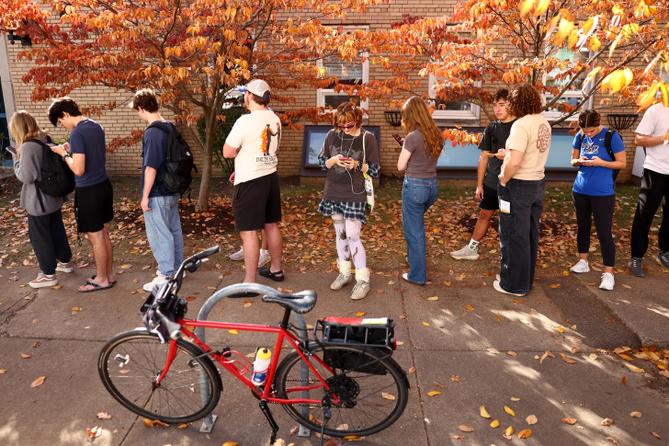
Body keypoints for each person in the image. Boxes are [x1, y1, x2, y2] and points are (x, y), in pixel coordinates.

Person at [48, 97, 115, 292]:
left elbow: (78, 169)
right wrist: (72, 149)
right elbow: (91, 153)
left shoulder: (77, 133)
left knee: (95, 238)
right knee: (103, 233)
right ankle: (109, 274)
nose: (63, 125)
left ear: (66, 114)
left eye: (61, 121)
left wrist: (64, 154)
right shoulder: (96, 126)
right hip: (103, 186)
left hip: (89, 190)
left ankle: (102, 278)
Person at [223, 79, 284, 284]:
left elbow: (228, 151)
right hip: (270, 178)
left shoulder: (245, 121)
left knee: (249, 233)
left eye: (246, 94)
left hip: (250, 182)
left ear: (249, 96)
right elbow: (266, 149)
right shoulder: (275, 118)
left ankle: (249, 283)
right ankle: (276, 269)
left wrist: (240, 158)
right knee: (271, 226)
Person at [318, 102, 380, 300]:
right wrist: (333, 160)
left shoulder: (367, 138)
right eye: (341, 125)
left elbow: (376, 170)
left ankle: (362, 279)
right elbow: (321, 163)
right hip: (333, 191)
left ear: (358, 120)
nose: (344, 129)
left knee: (353, 235)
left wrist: (357, 165)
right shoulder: (331, 135)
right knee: (340, 234)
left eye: (349, 125)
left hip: (355, 194)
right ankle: (344, 272)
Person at [494, 83, 551, 297]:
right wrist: (507, 155)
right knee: (529, 235)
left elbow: (516, 162)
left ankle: (513, 285)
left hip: (517, 185)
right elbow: (527, 153)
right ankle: (524, 280)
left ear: (516, 102)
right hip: (537, 183)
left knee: (512, 236)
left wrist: (502, 178)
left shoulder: (520, 125)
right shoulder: (544, 123)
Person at [9, 111, 73, 288]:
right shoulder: (45, 138)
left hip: (38, 200)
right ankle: (65, 262)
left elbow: (26, 176)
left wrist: (16, 158)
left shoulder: (28, 146)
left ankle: (48, 274)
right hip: (53, 196)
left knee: (40, 236)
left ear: (18, 128)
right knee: (56, 229)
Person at [130, 89, 185, 292]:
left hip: (158, 191)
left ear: (142, 108)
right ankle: (178, 268)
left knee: (159, 233)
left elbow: (151, 167)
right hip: (172, 188)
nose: (139, 115)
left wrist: (145, 196)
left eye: (138, 111)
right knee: (173, 230)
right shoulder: (170, 126)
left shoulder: (153, 132)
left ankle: (166, 274)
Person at [451, 89, 516, 260]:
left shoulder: (519, 127)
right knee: (484, 215)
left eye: (501, 105)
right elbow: (483, 157)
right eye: (495, 106)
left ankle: (509, 255)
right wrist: (480, 184)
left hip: (512, 183)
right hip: (491, 182)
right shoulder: (492, 127)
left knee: (508, 220)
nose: (497, 109)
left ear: (511, 104)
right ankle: (472, 249)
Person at [569, 110, 626, 290]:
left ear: (598, 123)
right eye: (585, 130)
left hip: (603, 193)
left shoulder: (611, 136)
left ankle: (608, 273)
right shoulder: (580, 135)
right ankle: (583, 261)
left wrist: (601, 162)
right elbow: (572, 160)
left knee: (603, 232)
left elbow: (622, 163)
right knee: (583, 227)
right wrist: (579, 161)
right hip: (580, 190)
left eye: (591, 131)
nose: (588, 134)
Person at [397, 96, 442, 285]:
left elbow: (400, 166)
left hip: (415, 187)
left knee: (414, 231)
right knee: (414, 226)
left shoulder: (413, 136)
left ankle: (417, 276)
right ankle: (414, 260)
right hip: (432, 186)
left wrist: (405, 147)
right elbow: (425, 157)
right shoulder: (436, 133)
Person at [628, 101, 669, 277]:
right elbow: (638, 139)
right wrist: (664, 138)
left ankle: (665, 252)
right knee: (644, 215)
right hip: (656, 170)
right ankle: (636, 256)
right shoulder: (656, 110)